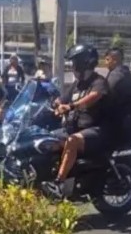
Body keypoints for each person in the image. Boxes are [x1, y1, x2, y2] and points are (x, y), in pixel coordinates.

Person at [42, 44, 110, 199]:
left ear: (83, 63)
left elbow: (93, 97)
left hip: (96, 130)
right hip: (75, 128)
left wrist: (71, 106)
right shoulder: (77, 84)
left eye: (74, 63)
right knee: (47, 139)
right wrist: (54, 104)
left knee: (72, 141)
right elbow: (62, 99)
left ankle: (59, 183)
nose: (72, 67)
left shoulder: (98, 82)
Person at [103, 47, 131, 151]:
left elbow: (103, 94)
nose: (105, 63)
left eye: (107, 59)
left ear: (114, 60)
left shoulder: (116, 75)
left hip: (119, 125)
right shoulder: (128, 74)